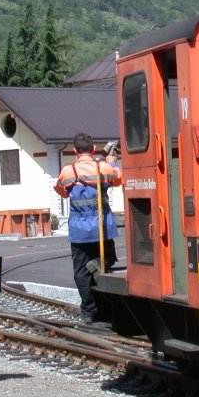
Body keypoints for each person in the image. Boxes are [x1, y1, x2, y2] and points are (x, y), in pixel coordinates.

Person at [54, 133, 122, 323]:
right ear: (93, 149)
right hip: (103, 227)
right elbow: (118, 180)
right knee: (109, 259)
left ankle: (89, 312)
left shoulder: (69, 172)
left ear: (75, 151)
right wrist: (112, 162)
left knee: (81, 273)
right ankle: (99, 264)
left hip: (79, 231)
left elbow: (61, 191)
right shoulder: (104, 168)